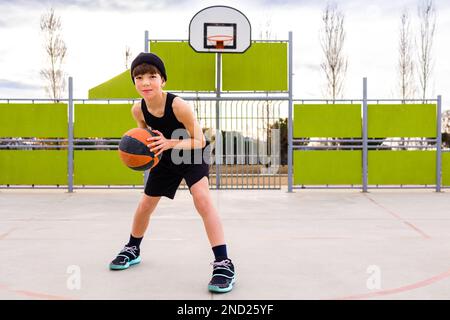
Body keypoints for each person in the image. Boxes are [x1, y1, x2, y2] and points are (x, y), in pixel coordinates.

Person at [109, 52, 235, 293]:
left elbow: (200, 140)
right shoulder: (138, 110)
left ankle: (223, 263)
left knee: (202, 200)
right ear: (134, 82)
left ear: (163, 80)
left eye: (152, 76)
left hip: (191, 153)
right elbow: (144, 138)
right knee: (145, 204)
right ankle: (132, 248)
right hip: (165, 155)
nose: (145, 82)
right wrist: (145, 155)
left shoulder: (179, 106)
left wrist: (169, 143)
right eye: (139, 77)